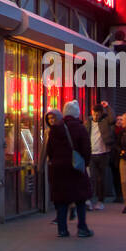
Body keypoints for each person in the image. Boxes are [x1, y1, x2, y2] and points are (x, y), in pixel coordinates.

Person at [44, 102, 94, 238]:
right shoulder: (80, 128)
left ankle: (62, 229)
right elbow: (86, 149)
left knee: (61, 199)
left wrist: (54, 161)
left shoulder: (55, 129)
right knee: (80, 198)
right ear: (77, 113)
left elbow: (49, 150)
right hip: (75, 168)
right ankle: (82, 228)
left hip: (58, 169)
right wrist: (85, 164)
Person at [89, 99, 115, 210]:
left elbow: (112, 119)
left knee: (101, 178)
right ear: (91, 113)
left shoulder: (105, 121)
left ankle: (100, 201)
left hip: (103, 153)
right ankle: (88, 200)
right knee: (91, 178)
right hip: (91, 154)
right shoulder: (88, 122)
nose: (95, 116)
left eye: (97, 114)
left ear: (101, 114)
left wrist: (107, 107)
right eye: (94, 114)